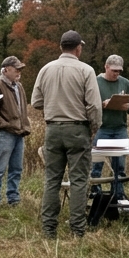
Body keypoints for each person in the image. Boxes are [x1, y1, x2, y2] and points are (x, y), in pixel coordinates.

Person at [31, 30, 102, 239]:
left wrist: (54, 104)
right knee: (79, 180)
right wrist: (94, 128)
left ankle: (49, 229)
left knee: (52, 180)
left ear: (61, 47)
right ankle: (77, 229)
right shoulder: (86, 70)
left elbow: (36, 102)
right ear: (78, 48)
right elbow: (94, 106)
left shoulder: (45, 69)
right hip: (78, 128)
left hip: (52, 129)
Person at [0, 55, 31, 208]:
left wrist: (22, 126)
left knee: (16, 169)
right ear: (5, 70)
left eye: (20, 69)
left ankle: (13, 199)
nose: (19, 72)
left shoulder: (19, 86)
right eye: (16, 69)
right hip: (4, 134)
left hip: (18, 133)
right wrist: (5, 125)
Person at [90, 54, 129, 202]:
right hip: (102, 128)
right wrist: (102, 105)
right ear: (106, 67)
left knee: (119, 164)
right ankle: (95, 191)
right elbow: (88, 104)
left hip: (120, 128)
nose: (116, 74)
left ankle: (118, 193)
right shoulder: (96, 82)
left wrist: (128, 106)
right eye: (114, 70)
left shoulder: (125, 83)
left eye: (119, 71)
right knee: (97, 163)